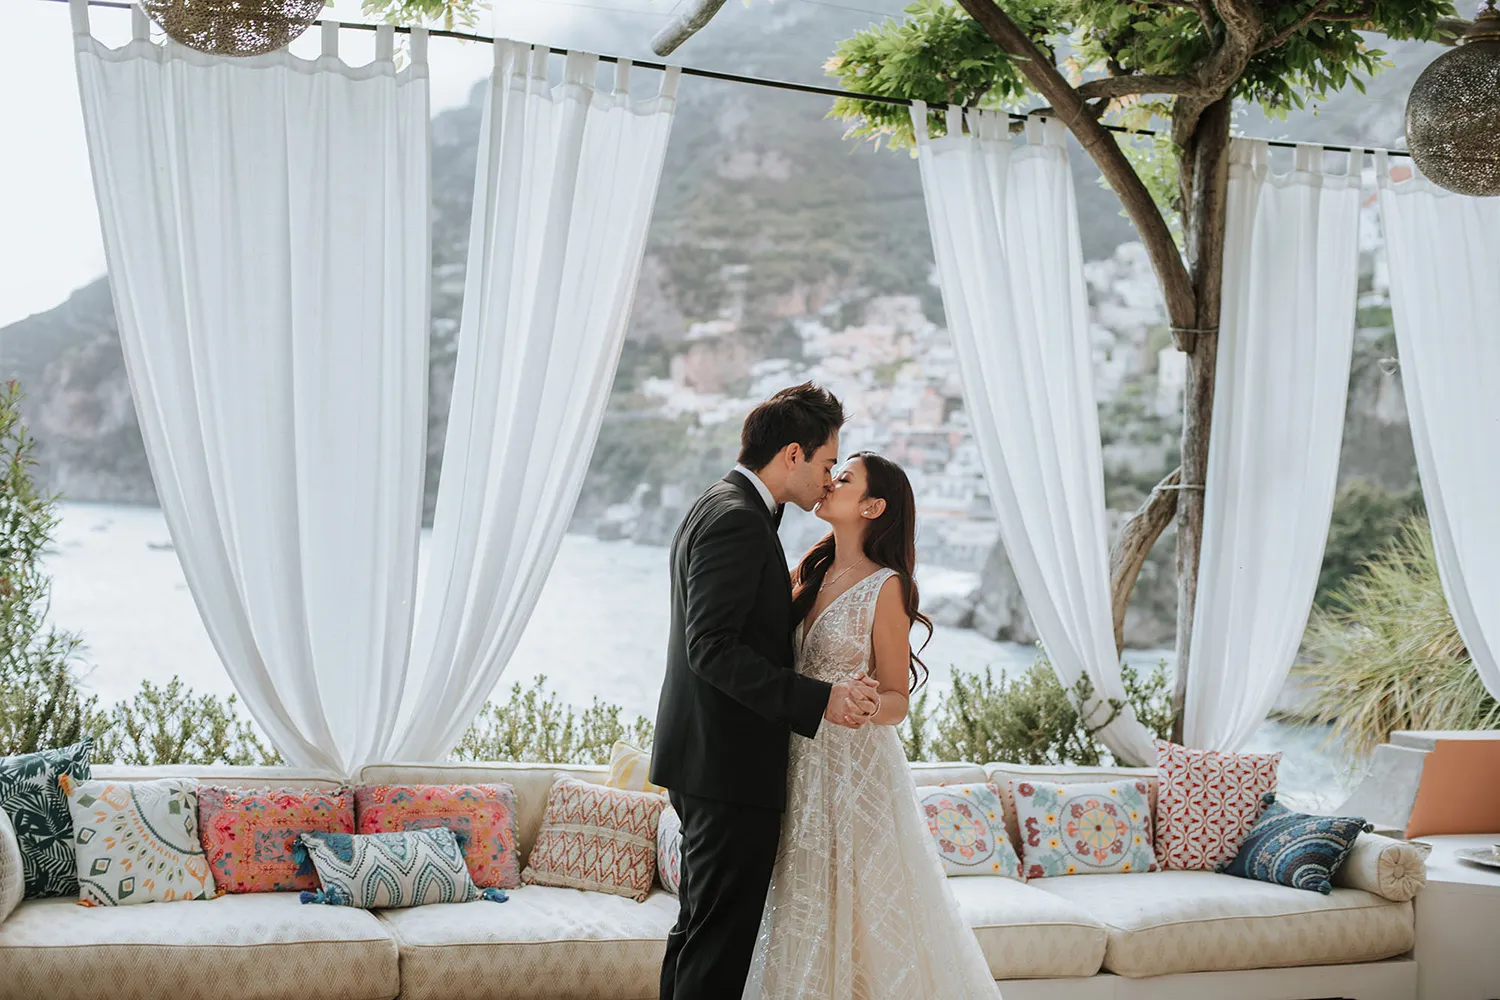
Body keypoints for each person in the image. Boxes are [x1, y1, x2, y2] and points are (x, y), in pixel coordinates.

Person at [651, 383, 883, 1000]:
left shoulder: (719, 505)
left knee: (700, 932)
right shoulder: (738, 521)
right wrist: (820, 698)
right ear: (791, 455)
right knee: (719, 947)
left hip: (707, 760)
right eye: (828, 463)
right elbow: (712, 648)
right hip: (728, 767)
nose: (828, 480)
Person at [742, 451, 1001, 999]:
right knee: (803, 901)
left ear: (873, 506)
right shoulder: (809, 572)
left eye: (846, 478)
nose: (831, 482)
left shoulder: (886, 587)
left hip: (855, 772)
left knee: (861, 913)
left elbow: (896, 699)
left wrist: (863, 706)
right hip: (798, 764)